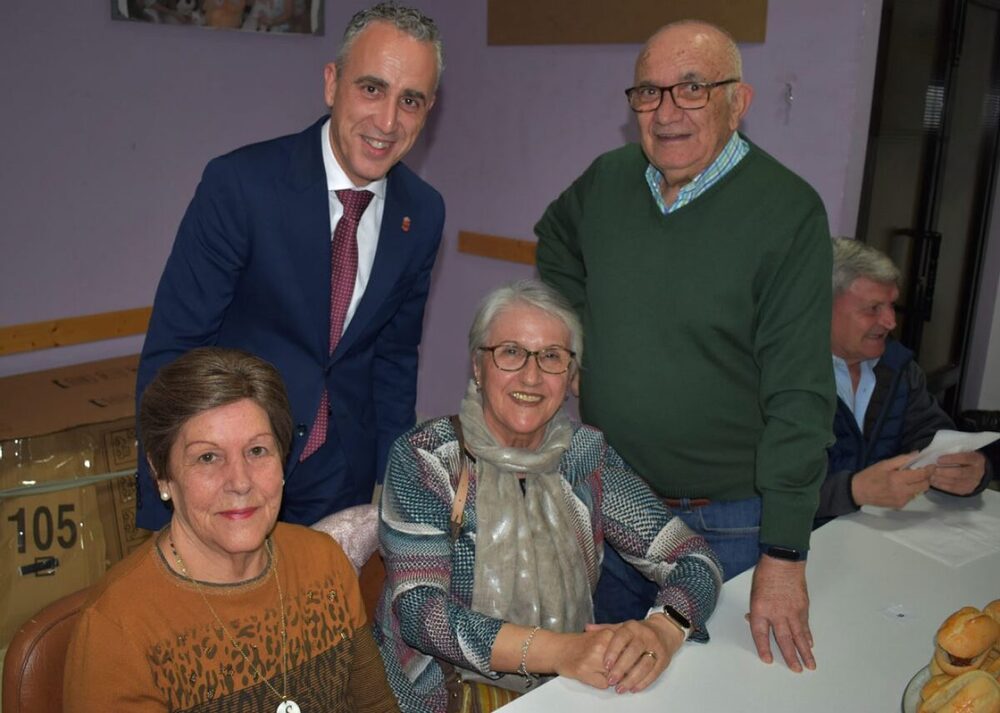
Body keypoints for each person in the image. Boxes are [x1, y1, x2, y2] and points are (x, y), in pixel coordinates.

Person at [534, 19, 835, 673]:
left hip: (728, 521)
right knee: (608, 675)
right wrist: (574, 337)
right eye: (649, 92)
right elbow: (554, 240)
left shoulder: (788, 212)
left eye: (692, 89)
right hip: (617, 500)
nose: (667, 112)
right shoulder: (609, 180)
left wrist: (784, 553)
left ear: (740, 101)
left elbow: (800, 393)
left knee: (714, 687)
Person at [136, 2, 445, 531]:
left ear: (428, 108)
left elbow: (394, 358)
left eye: (410, 100)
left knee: (320, 614)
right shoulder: (241, 186)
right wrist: (160, 501)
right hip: (235, 469)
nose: (388, 121)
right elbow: (174, 351)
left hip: (340, 473)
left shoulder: (423, 211)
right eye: (371, 88)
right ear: (332, 83)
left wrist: (394, 490)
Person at [374, 280, 722, 712]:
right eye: (511, 352)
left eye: (552, 357)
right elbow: (421, 614)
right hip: (437, 698)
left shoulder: (585, 457)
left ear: (571, 378)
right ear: (478, 368)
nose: (532, 376)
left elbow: (694, 559)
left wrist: (663, 630)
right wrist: (562, 652)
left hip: (560, 694)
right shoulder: (428, 458)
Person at [64, 347, 399, 712]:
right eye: (208, 457)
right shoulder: (117, 630)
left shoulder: (324, 563)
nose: (239, 482)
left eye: (257, 451)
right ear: (161, 473)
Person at [815, 238, 991, 525]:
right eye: (873, 308)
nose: (890, 322)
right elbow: (764, 490)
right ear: (822, 307)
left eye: (891, 305)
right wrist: (853, 490)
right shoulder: (782, 377)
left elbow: (930, 435)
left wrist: (971, 469)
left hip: (874, 533)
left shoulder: (899, 367)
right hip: (797, 547)